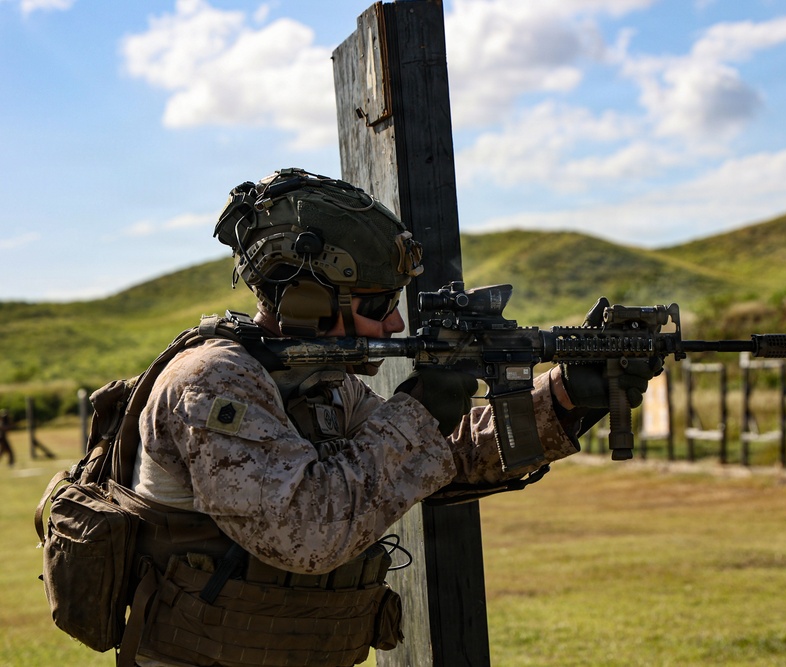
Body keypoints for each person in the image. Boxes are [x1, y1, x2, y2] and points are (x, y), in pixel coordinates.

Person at [124, 168, 659, 667]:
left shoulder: (325, 387)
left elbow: (441, 458)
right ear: (310, 300)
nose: (396, 321)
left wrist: (563, 397)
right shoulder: (214, 381)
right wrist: (420, 409)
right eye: (378, 305)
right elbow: (305, 532)